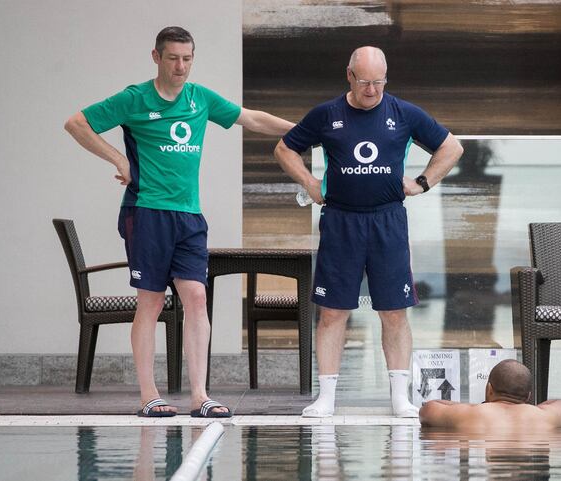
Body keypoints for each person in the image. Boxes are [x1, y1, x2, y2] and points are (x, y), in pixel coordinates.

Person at [64, 26, 294, 417]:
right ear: (156, 57)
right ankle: (149, 395)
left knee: (197, 297)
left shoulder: (199, 98)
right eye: (173, 58)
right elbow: (76, 124)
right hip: (147, 211)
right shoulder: (135, 98)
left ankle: (200, 396)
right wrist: (118, 159)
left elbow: (251, 119)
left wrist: (307, 132)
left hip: (189, 215)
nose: (181, 66)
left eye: (187, 58)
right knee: (151, 302)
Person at [274, 46, 464, 418]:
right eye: (365, 82)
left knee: (394, 311)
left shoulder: (404, 113)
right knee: (332, 312)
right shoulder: (326, 114)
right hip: (341, 221)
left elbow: (451, 147)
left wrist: (422, 183)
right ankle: (326, 398)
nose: (372, 90)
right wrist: (310, 183)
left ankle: (399, 398)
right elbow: (284, 149)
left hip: (387, 222)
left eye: (379, 82)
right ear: (349, 76)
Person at [419, 360, 561, 431]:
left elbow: (427, 410)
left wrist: (475, 406)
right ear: (528, 396)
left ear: (489, 389)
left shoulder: (469, 413)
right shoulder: (544, 417)